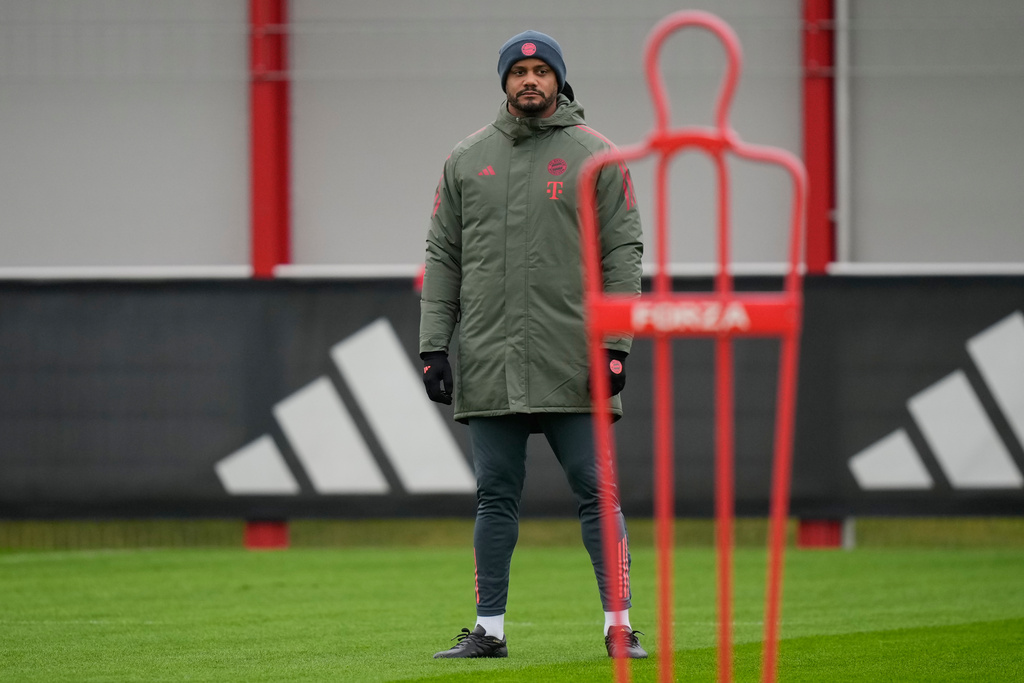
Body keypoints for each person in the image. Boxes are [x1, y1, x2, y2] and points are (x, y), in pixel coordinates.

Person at [420, 30, 646, 660]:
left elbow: (623, 253)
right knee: (494, 498)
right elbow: (442, 257)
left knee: (598, 495)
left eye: (541, 71)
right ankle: (488, 632)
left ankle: (620, 628)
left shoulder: (596, 155)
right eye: (518, 72)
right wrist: (434, 347)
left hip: (574, 360)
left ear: (558, 80)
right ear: (504, 81)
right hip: (490, 360)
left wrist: (616, 345)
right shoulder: (466, 159)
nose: (529, 80)